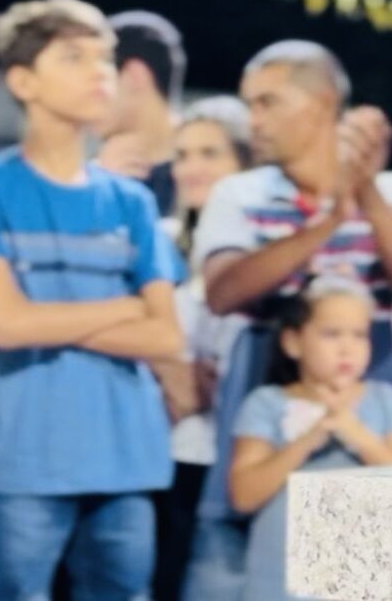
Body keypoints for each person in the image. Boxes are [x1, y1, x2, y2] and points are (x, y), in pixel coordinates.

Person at [183, 40, 392, 600]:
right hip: (257, 387)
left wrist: (365, 194)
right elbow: (225, 292)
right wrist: (325, 225)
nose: (254, 119)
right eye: (251, 104)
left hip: (368, 397)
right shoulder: (240, 192)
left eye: (267, 102)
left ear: (323, 103)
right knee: (232, 537)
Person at [0, 0, 183, 599]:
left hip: (126, 458)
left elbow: (167, 336)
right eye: (74, 57)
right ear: (23, 80)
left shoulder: (132, 201)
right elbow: (6, 326)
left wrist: (43, 316)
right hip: (23, 459)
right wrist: (127, 305)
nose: (99, 71)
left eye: (104, 58)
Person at [229, 275, 392, 600]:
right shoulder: (267, 403)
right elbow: (244, 496)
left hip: (365, 572)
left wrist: (354, 431)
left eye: (359, 335)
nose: (347, 348)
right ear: (293, 342)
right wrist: (308, 438)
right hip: (282, 574)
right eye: (331, 334)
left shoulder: (385, 400)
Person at [154, 96, 253, 601]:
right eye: (183, 154)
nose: (191, 168)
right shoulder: (164, 241)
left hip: (246, 452)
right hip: (173, 454)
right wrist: (170, 368)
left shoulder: (265, 249)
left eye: (209, 154)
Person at [95, 10, 188, 216]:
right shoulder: (96, 175)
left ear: (135, 76)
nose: (87, 102)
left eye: (100, 82)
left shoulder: (216, 166)